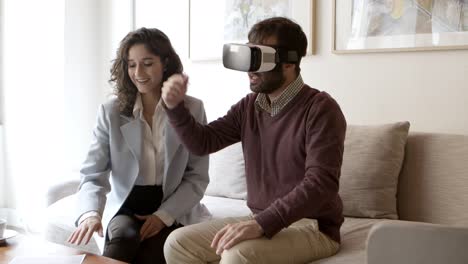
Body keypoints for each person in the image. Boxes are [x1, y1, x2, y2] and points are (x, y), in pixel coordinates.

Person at [161, 17, 347, 264]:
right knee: (178, 243)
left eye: (259, 59)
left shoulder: (320, 109)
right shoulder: (249, 107)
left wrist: (262, 223)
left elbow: (321, 184)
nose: (250, 69)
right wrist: (175, 107)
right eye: (249, 56)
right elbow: (203, 143)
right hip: (261, 219)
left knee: (237, 255)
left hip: (313, 227)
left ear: (289, 63)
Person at [67, 27, 210, 264]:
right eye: (131, 65)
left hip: (172, 205)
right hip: (126, 205)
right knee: (123, 239)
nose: (138, 72)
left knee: (157, 250)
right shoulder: (111, 111)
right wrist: (90, 214)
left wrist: (162, 216)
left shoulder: (193, 109)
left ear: (165, 63)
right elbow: (93, 174)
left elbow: (197, 177)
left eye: (147, 63)